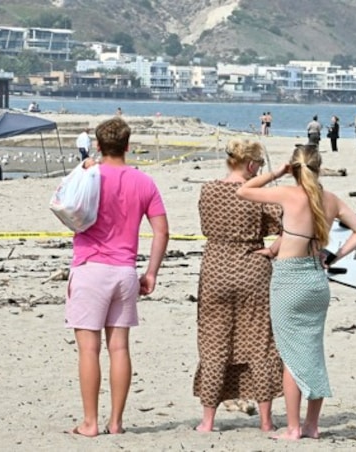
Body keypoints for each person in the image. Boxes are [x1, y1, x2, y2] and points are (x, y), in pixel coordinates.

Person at [236, 145, 356, 440]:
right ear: (319, 167)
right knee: (312, 353)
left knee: (291, 357)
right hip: (316, 280)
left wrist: (277, 172)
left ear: (295, 168)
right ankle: (311, 424)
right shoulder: (330, 199)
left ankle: (294, 427)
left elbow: (244, 190)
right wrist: (334, 256)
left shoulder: (288, 193)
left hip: (288, 279)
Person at [65, 117, 170, 437]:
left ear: (98, 145)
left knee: (88, 349)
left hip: (90, 267)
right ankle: (116, 422)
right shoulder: (144, 182)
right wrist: (151, 271)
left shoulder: (90, 175)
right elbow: (161, 232)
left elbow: (66, 210)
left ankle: (90, 422)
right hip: (125, 271)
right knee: (120, 348)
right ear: (127, 145)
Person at [194, 139, 283, 433]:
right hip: (252, 269)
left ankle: (208, 421)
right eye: (257, 164)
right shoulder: (258, 193)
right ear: (250, 164)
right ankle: (266, 420)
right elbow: (289, 223)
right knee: (260, 342)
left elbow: (206, 225)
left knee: (214, 342)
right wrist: (273, 249)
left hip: (216, 267)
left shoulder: (209, 190)